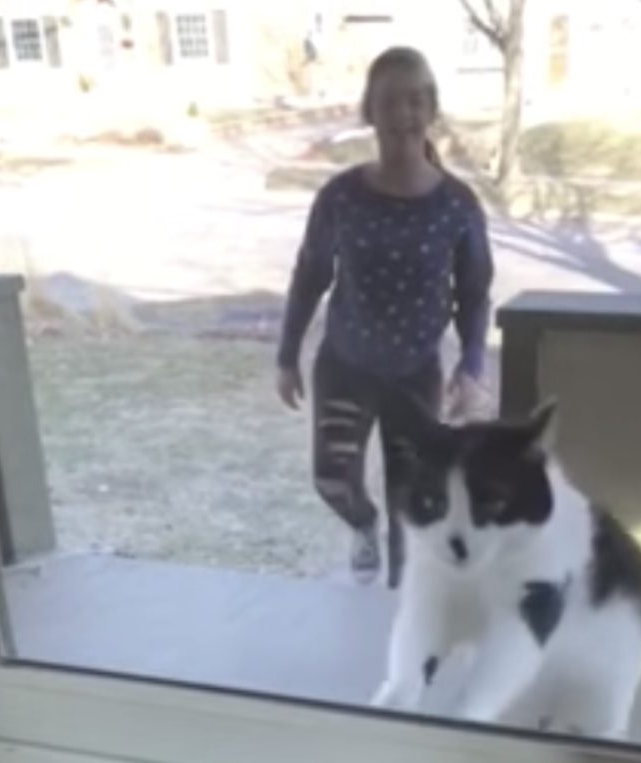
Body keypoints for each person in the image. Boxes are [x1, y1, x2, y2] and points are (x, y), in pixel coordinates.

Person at [275, 46, 495, 589]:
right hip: (344, 368)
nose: (403, 113)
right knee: (331, 479)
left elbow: (474, 293)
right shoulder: (340, 197)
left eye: (415, 100)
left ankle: (398, 605)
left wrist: (471, 365)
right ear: (369, 111)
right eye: (390, 101)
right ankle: (361, 524)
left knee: (411, 505)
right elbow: (310, 275)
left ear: (432, 109)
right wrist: (287, 355)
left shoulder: (457, 204)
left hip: (415, 377)